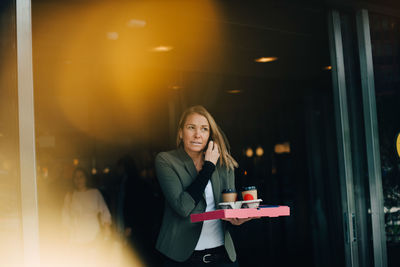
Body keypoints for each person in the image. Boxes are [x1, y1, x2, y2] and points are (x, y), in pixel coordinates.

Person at [155, 105, 251, 267]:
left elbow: (228, 208)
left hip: (222, 257)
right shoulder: (166, 160)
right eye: (191, 127)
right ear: (180, 133)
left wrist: (237, 219)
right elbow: (182, 207)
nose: (197, 135)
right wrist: (208, 166)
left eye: (204, 129)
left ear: (210, 135)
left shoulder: (224, 164)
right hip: (181, 259)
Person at [61, 167, 112, 265]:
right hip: (75, 238)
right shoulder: (70, 195)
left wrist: (107, 228)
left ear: (86, 178)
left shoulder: (95, 193)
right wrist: (65, 232)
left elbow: (104, 210)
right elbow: (65, 215)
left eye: (81, 177)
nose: (78, 180)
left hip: (94, 237)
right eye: (76, 177)